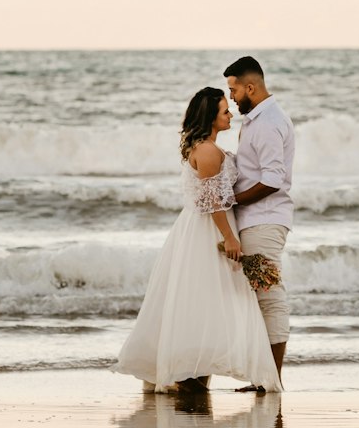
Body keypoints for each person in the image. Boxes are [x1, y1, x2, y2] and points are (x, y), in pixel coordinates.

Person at [115, 86, 281, 393]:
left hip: (206, 227)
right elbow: (212, 201)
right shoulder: (205, 150)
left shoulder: (210, 147)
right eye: (224, 111)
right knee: (201, 298)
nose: (230, 114)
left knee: (203, 300)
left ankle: (196, 371)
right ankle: (187, 373)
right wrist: (230, 238)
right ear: (210, 118)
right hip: (207, 231)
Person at [223, 56, 295, 383]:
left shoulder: (267, 123)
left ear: (250, 87)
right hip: (255, 220)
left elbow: (272, 179)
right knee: (259, 297)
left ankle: (272, 379)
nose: (232, 97)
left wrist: (232, 199)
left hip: (264, 221)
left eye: (234, 90)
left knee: (269, 296)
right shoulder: (256, 120)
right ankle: (263, 377)